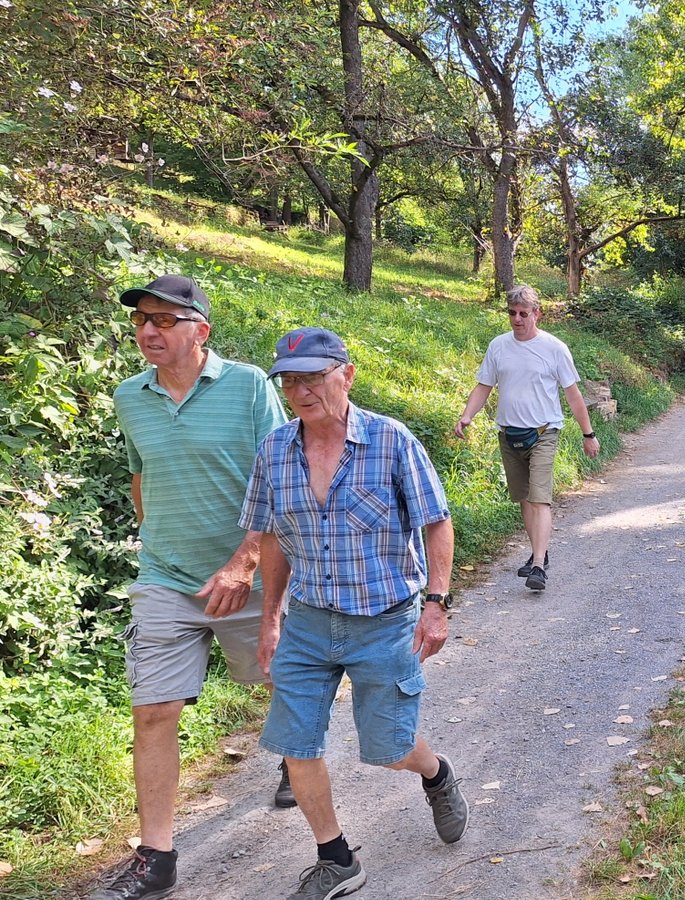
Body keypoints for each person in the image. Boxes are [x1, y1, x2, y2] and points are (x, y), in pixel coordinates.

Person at [240, 327, 467, 899]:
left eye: (313, 378)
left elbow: (437, 522)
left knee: (390, 749)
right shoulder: (274, 450)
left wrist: (436, 605)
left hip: (384, 620)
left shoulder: (390, 440)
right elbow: (272, 539)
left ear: (346, 375)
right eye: (290, 381)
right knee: (296, 743)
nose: (301, 392)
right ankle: (336, 857)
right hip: (308, 621)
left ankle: (436, 773)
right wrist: (271, 619)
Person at [92, 275, 291, 900]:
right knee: (154, 711)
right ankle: (157, 858)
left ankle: (294, 756)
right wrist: (153, 537)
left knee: (280, 683)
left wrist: (246, 561)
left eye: (164, 320)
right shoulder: (130, 397)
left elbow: (281, 477)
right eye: (141, 320)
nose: (148, 331)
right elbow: (140, 474)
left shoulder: (249, 386)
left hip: (248, 574)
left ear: (200, 330)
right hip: (166, 579)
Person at [453, 285, 599, 592]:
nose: (517, 319)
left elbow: (573, 395)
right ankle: (538, 553)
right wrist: (467, 415)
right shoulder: (498, 346)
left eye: (523, 313)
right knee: (523, 498)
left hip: (544, 433)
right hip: (509, 434)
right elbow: (484, 386)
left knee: (539, 498)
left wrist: (589, 434)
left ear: (537, 314)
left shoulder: (554, 348)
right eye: (512, 313)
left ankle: (538, 567)